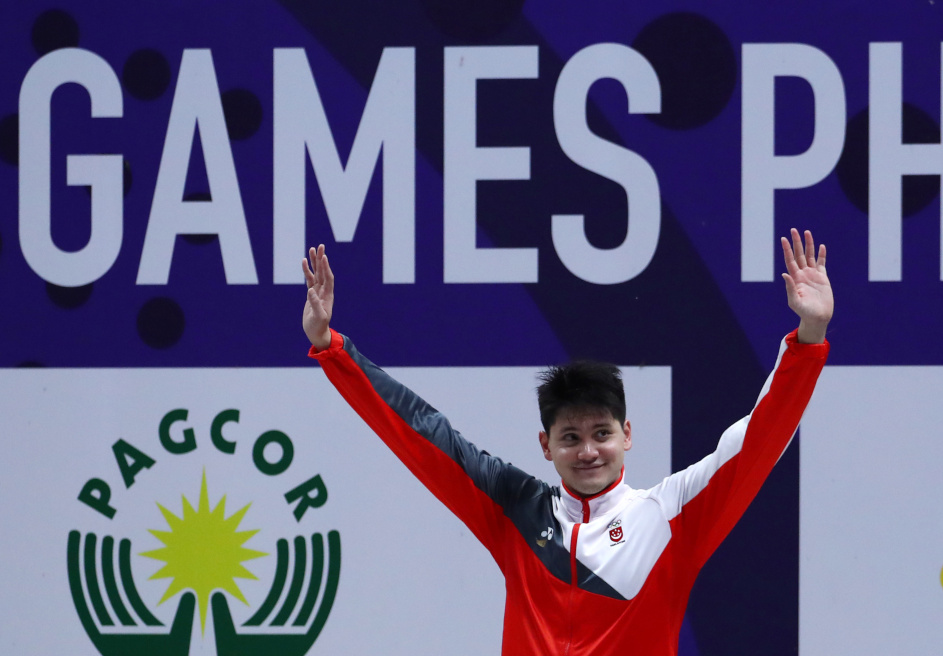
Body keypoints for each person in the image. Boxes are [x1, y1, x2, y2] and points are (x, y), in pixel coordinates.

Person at [302, 229, 832, 656]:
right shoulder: (515, 508)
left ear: (627, 435)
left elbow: (758, 440)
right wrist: (333, 349)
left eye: (602, 433)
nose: (588, 451)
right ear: (545, 444)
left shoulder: (668, 516)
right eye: (571, 437)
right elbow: (424, 433)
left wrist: (808, 338)